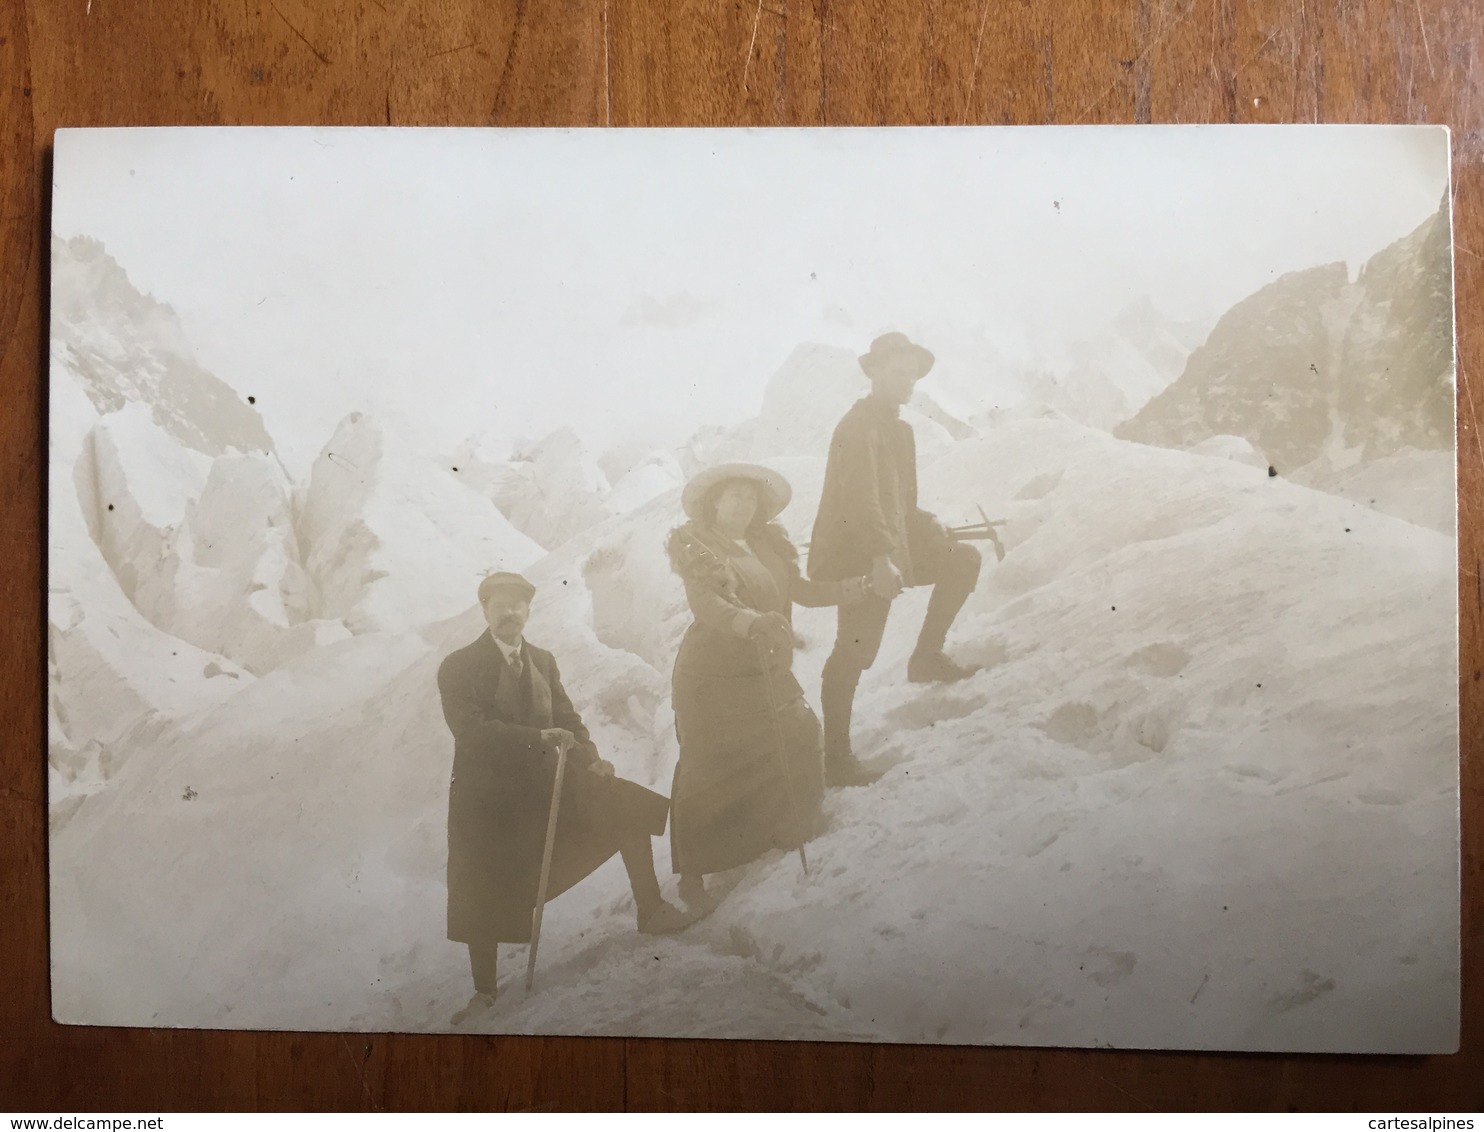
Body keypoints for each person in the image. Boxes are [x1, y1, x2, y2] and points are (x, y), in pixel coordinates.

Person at [437, 571, 703, 1022]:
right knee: (482, 887)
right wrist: (539, 737)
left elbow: (569, 719)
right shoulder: (459, 667)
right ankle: (484, 992)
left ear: (528, 611)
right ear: (484, 610)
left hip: (545, 787)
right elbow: (472, 732)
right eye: (500, 604)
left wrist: (591, 758)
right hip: (489, 802)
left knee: (621, 802)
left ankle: (651, 909)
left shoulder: (542, 661)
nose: (509, 612)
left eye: (518, 605)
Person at [666, 463, 870, 909]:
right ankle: (693, 874)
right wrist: (750, 621)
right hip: (712, 672)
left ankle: (786, 829)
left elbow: (802, 592)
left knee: (797, 731)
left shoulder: (766, 544)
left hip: (763, 663)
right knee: (707, 768)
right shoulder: (697, 545)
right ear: (714, 503)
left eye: (751, 497)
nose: (743, 503)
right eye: (733, 495)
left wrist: (857, 588)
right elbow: (707, 605)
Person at [809, 331, 984, 788]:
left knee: (961, 560)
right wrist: (880, 558)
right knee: (856, 650)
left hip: (887, 546)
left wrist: (929, 526)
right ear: (875, 374)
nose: (908, 382)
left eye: (912, 375)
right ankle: (836, 758)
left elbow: (901, 503)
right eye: (898, 373)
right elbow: (860, 502)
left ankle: (925, 658)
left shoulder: (900, 430)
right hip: (860, 556)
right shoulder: (857, 427)